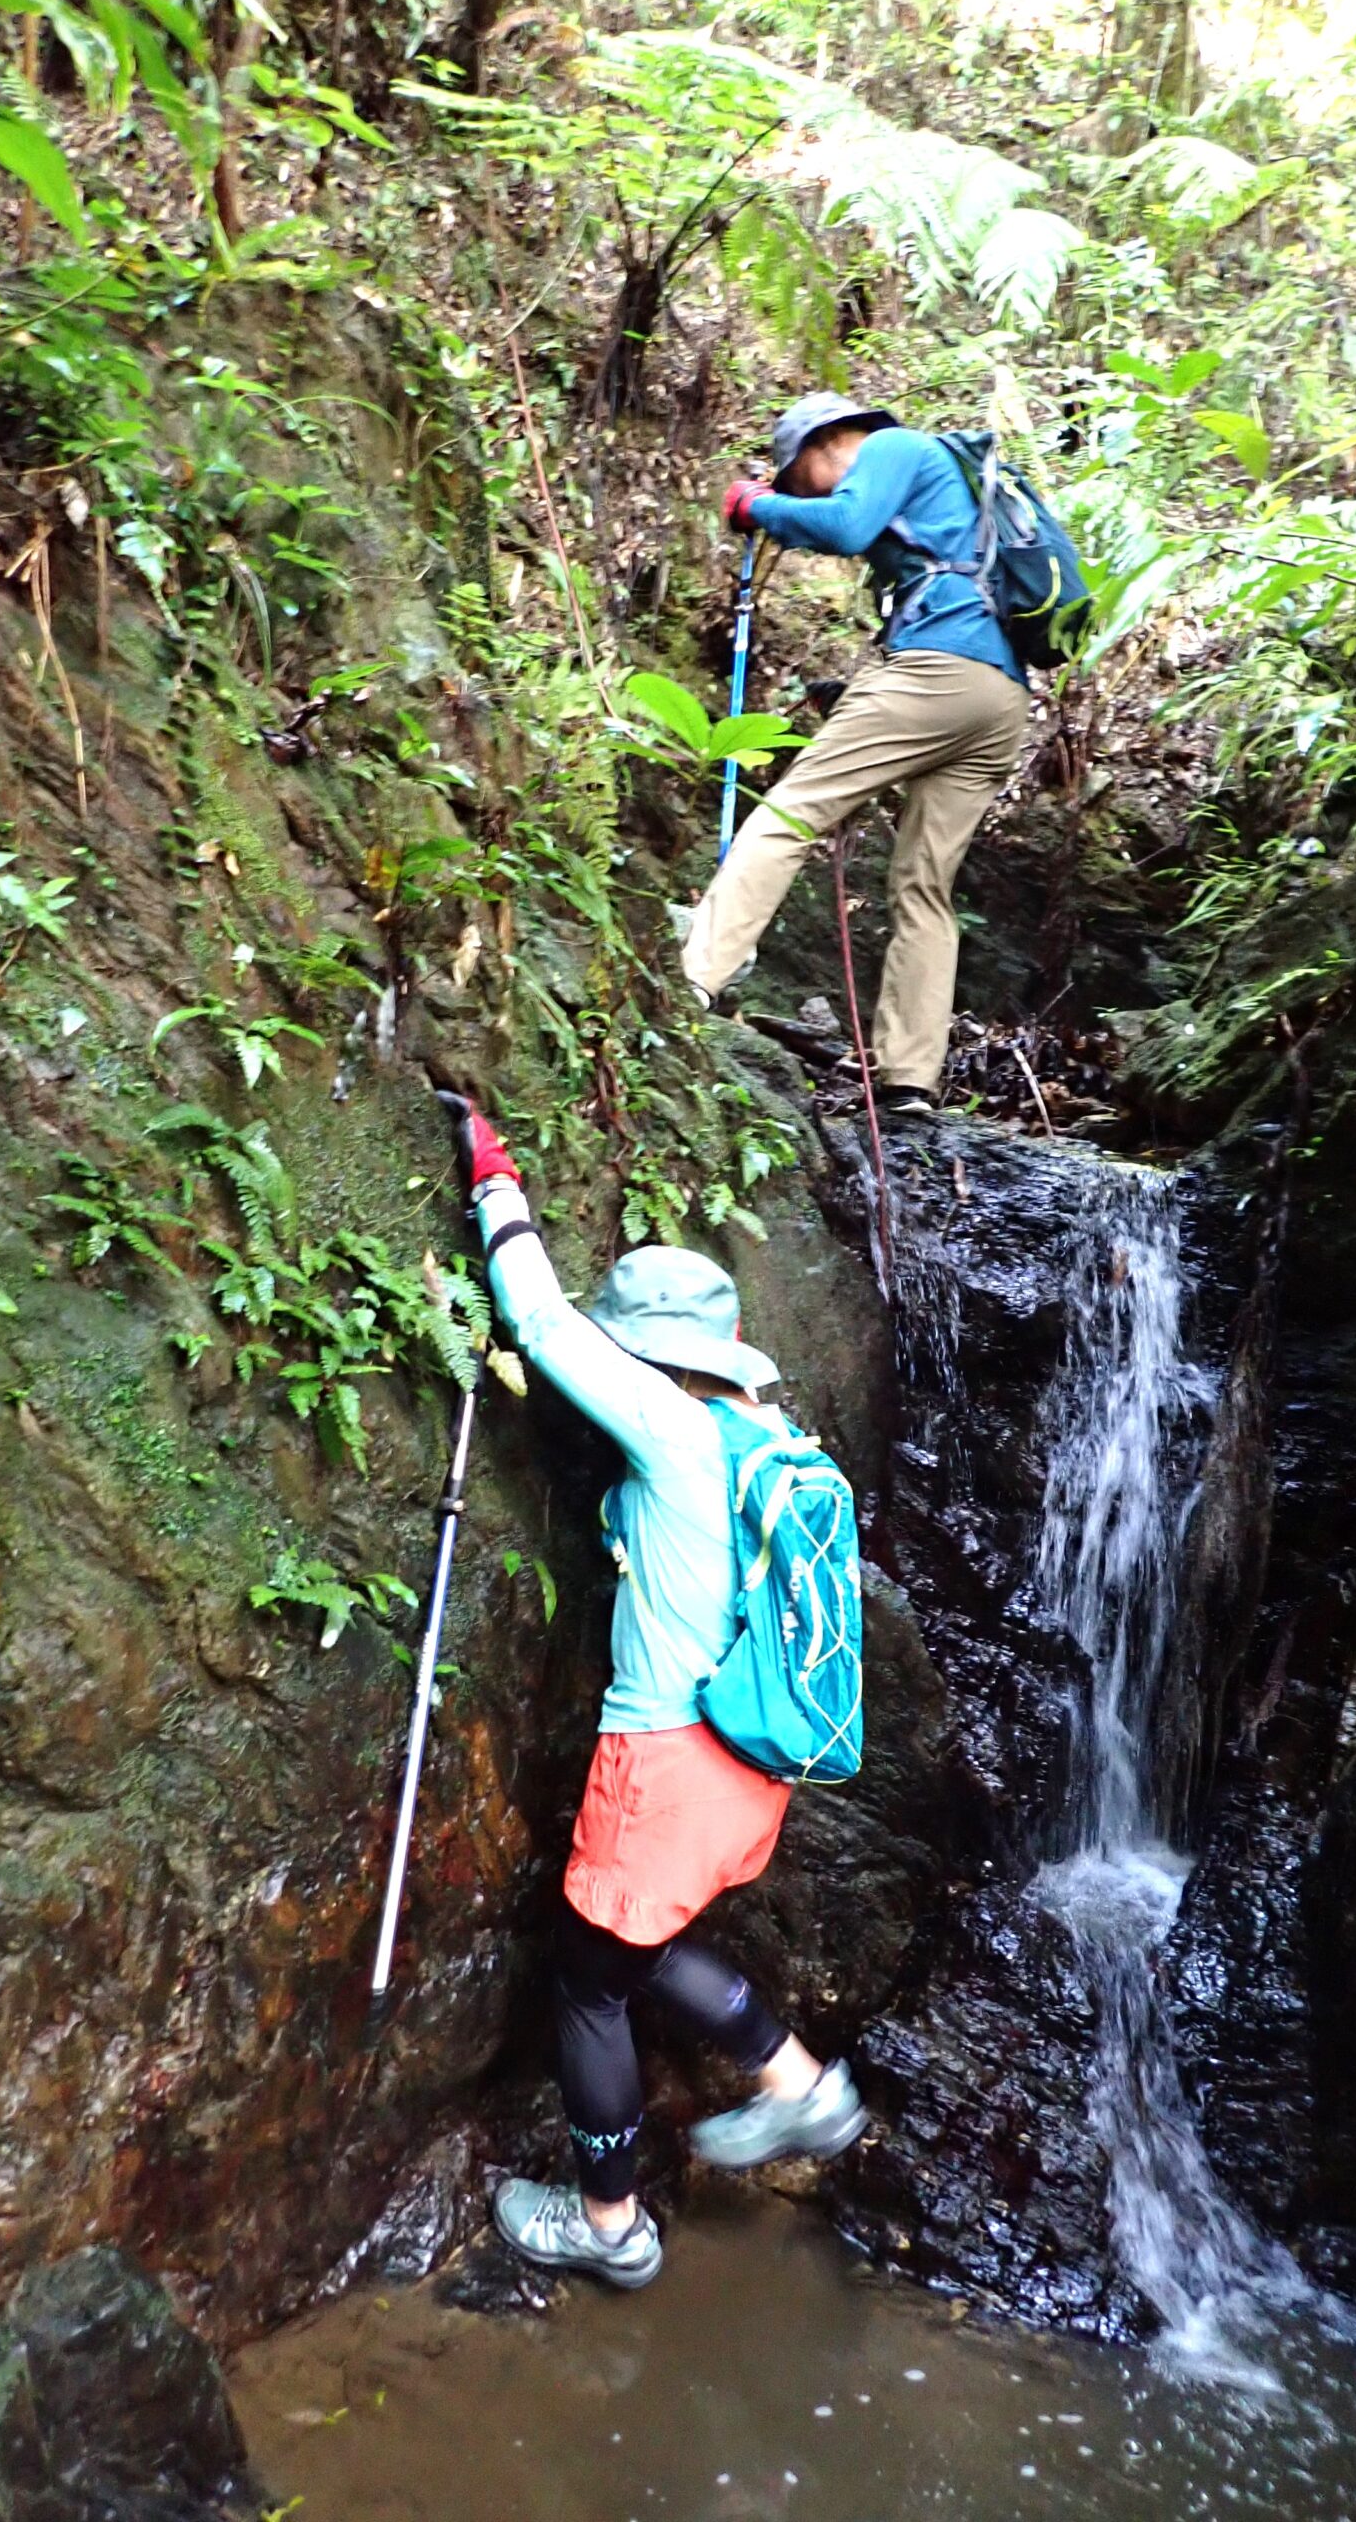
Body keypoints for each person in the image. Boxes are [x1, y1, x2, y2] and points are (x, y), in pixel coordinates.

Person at [439, 1090, 868, 2290]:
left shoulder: (671, 1431)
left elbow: (537, 1316)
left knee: (587, 1979)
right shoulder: (768, 1439)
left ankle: (608, 2223)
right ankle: (797, 2086)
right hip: (756, 1766)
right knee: (639, 1943)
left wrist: (494, 1174)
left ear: (653, 1354)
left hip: (670, 1762)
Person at [680, 392, 1032, 1116]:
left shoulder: (893, 449)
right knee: (924, 883)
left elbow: (842, 524)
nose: (795, 488)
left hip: (937, 671)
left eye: (793, 473)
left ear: (829, 439)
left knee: (787, 815)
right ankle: (910, 1079)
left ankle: (693, 978)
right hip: (999, 698)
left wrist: (754, 506)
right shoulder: (941, 490)